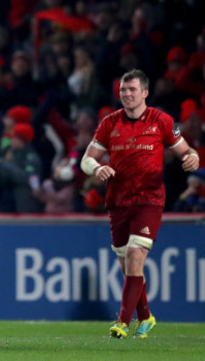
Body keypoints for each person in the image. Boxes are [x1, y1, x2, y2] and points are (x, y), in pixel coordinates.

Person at [80, 69, 199, 338]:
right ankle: (145, 317)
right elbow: (86, 159)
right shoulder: (110, 123)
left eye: (132, 89)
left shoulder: (161, 121)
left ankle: (122, 322)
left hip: (149, 199)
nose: (127, 94)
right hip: (118, 201)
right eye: (123, 90)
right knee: (127, 265)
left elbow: (186, 150)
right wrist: (97, 168)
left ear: (145, 92)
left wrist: (193, 158)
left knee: (135, 256)